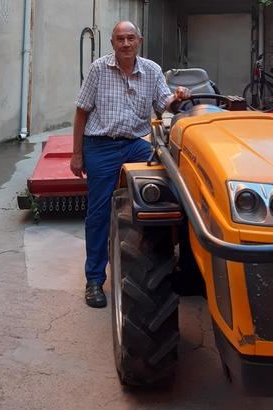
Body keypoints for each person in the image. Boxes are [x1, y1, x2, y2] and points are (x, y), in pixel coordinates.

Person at [70, 21, 190, 308]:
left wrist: (178, 98)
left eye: (130, 38)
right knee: (98, 211)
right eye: (120, 39)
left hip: (136, 143)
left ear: (140, 40)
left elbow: (165, 104)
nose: (125, 44)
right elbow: (81, 112)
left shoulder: (151, 70)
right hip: (101, 145)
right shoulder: (99, 68)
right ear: (112, 43)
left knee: (171, 191)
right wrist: (77, 154)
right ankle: (95, 280)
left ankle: (172, 264)